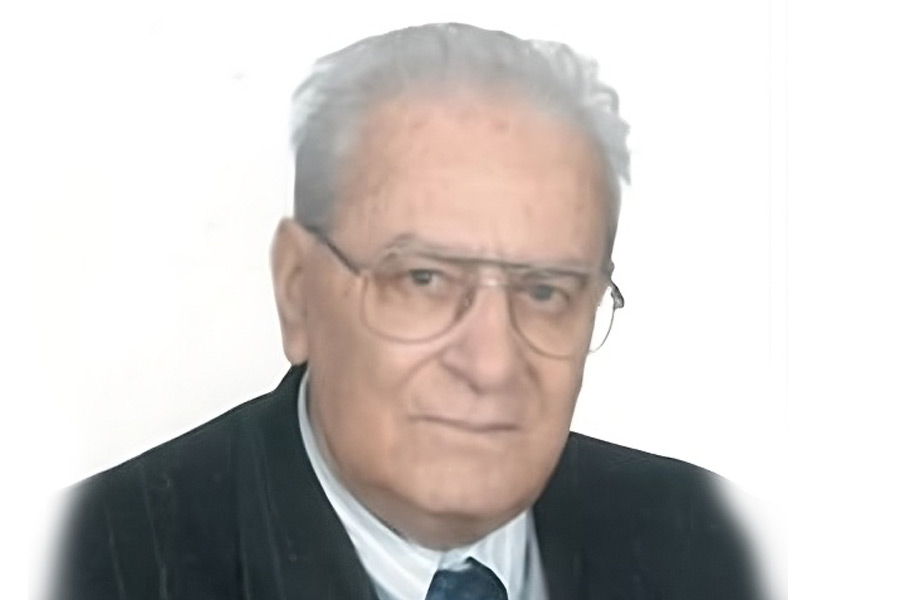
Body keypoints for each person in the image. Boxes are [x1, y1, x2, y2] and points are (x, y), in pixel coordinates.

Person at [50, 22, 761, 600]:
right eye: (424, 279)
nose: (491, 364)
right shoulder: (86, 568)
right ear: (297, 290)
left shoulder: (715, 548)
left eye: (545, 291)